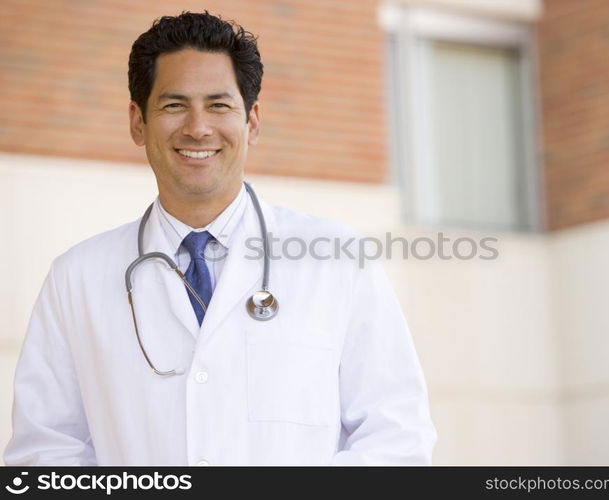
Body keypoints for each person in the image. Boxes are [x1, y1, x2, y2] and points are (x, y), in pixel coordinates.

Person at [3, 11, 436, 465]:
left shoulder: (338, 260)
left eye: (219, 105)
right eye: (174, 105)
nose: (197, 127)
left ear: (251, 122)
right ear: (137, 122)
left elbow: (396, 441)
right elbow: (47, 453)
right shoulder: (77, 278)